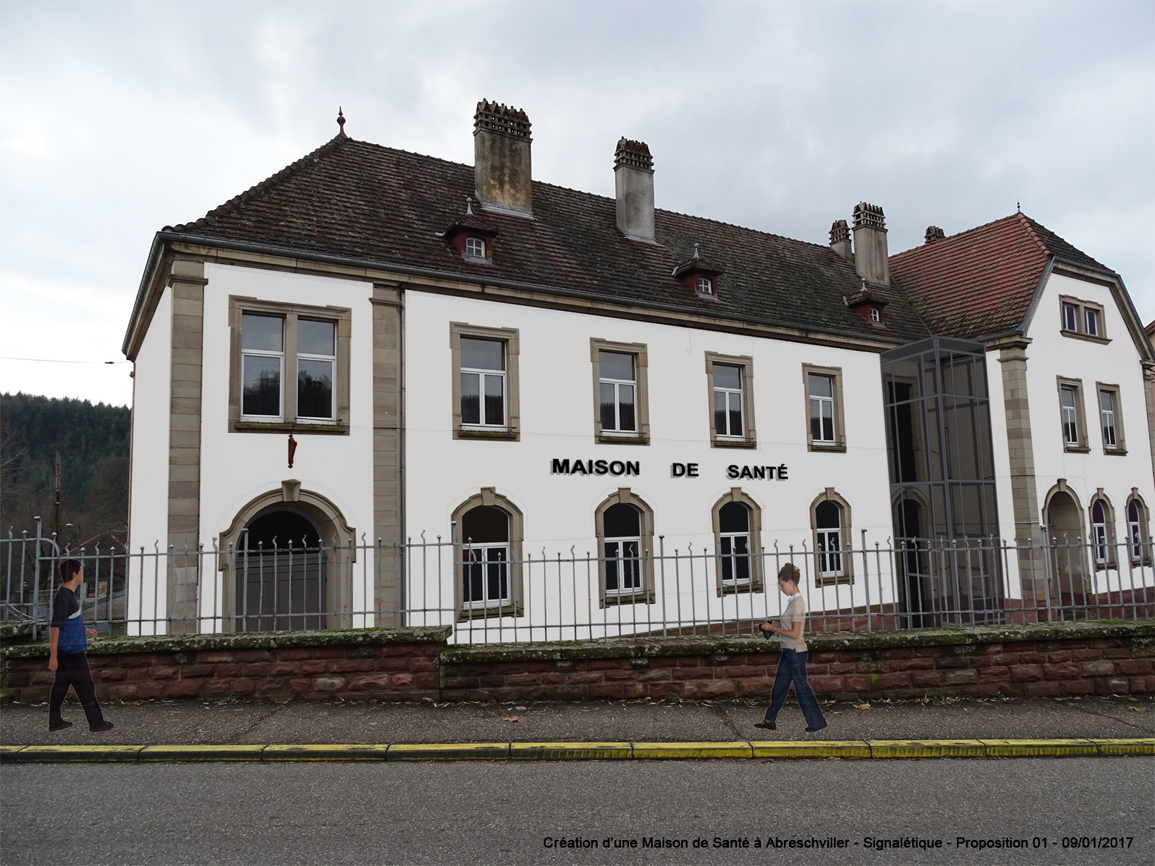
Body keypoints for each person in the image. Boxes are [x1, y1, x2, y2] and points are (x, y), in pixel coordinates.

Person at [755, 563, 827, 733]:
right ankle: (769, 720)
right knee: (779, 687)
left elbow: (795, 633)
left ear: (790, 582)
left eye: (781, 584)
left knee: (802, 689)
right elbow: (790, 627)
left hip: (795, 652)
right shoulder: (793, 602)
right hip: (789, 652)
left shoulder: (798, 603)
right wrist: (774, 625)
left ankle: (817, 722)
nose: (781, 588)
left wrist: (773, 629)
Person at [48, 559, 113, 733]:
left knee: (61, 687)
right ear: (75, 574)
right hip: (71, 651)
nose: (83, 575)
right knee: (86, 686)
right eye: (81, 572)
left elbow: (69, 621)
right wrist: (53, 656)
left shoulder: (68, 595)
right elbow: (55, 627)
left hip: (69, 649)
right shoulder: (64, 597)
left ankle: (54, 722)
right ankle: (96, 723)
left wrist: (85, 629)